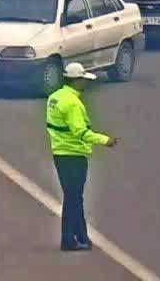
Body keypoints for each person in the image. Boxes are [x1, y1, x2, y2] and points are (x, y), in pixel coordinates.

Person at [46, 62, 118, 251]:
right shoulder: (73, 104)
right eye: (83, 80)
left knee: (74, 197)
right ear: (76, 81)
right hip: (74, 155)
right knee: (73, 198)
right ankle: (68, 239)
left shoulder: (55, 97)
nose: (85, 84)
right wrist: (105, 140)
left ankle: (82, 236)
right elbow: (81, 133)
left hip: (59, 152)